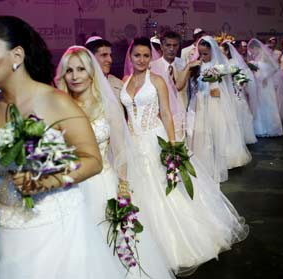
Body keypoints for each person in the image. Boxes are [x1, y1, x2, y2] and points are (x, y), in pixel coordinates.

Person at [0, 15, 123, 279]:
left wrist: (49, 180)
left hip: (51, 230)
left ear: (17, 55)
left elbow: (93, 160)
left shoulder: (56, 103)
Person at [121, 37, 248, 276]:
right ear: (130, 57)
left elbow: (167, 114)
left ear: (150, 57)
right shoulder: (125, 82)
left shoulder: (156, 80)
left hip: (155, 138)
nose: (141, 59)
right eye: (137, 55)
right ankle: (145, 244)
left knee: (165, 189)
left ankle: (179, 244)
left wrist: (171, 145)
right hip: (132, 143)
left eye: (146, 55)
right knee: (139, 193)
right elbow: (126, 117)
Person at [55, 45, 175, 279]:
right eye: (69, 71)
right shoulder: (58, 106)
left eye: (81, 69)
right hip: (67, 186)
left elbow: (119, 150)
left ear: (91, 72)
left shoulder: (107, 105)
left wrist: (122, 187)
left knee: (110, 246)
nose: (75, 76)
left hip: (101, 184)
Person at [188, 36, 251, 182]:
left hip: (215, 103)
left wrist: (216, 88)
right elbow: (195, 85)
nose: (203, 57)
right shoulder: (198, 66)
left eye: (206, 54)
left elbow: (225, 85)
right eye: (201, 53)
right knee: (203, 133)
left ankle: (218, 163)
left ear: (213, 52)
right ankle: (205, 162)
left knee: (216, 131)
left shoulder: (219, 66)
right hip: (201, 102)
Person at [150, 31, 191, 140]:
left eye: (175, 45)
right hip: (162, 116)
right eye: (168, 45)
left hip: (182, 115)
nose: (171, 49)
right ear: (162, 46)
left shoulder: (185, 64)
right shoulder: (152, 67)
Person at [221, 41, 257, 144]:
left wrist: (237, 81)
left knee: (238, 112)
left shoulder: (234, 62)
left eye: (222, 50)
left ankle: (240, 136)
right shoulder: (220, 63)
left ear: (227, 51)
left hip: (235, 90)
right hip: (225, 91)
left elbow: (242, 78)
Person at [247, 38, 283, 137]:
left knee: (267, 103)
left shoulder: (265, 55)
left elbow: (275, 67)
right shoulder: (255, 57)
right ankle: (260, 127)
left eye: (252, 49)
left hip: (266, 83)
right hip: (258, 83)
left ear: (256, 47)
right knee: (259, 105)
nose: (251, 51)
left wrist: (266, 78)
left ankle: (270, 127)